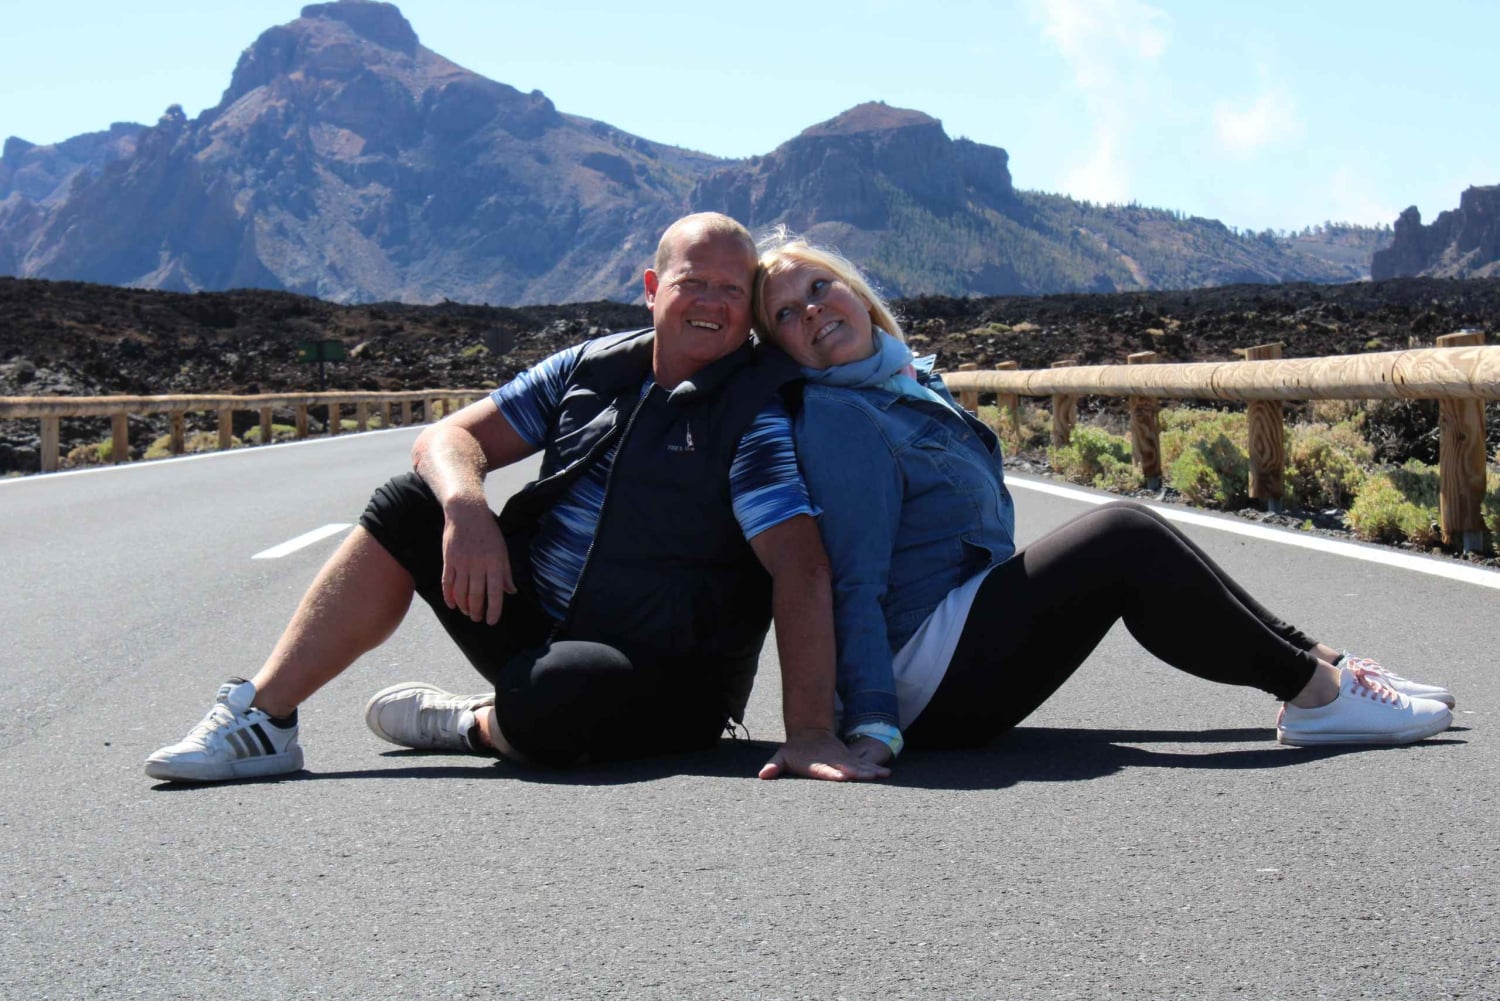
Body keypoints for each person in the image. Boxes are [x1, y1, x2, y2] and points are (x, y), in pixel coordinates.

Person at [145, 213, 886, 784]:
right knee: (408, 504)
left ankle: (473, 724)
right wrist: (467, 508)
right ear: (652, 287)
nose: (714, 304)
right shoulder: (591, 368)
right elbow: (447, 438)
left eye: (733, 290)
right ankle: (264, 717)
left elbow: (800, 565)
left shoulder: (753, 412)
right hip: (536, 618)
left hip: (663, 676)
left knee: (557, 695)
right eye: (695, 282)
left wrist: (809, 731)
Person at [751, 234, 1455, 768]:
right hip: (920, 682)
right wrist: (874, 721)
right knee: (1122, 537)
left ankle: (1330, 666)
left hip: (952, 642)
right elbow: (854, 578)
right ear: (782, 347)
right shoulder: (841, 417)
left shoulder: (902, 385)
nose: (811, 309)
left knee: (1133, 525)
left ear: (856, 292)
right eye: (785, 313)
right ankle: (1317, 697)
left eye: (819, 285)